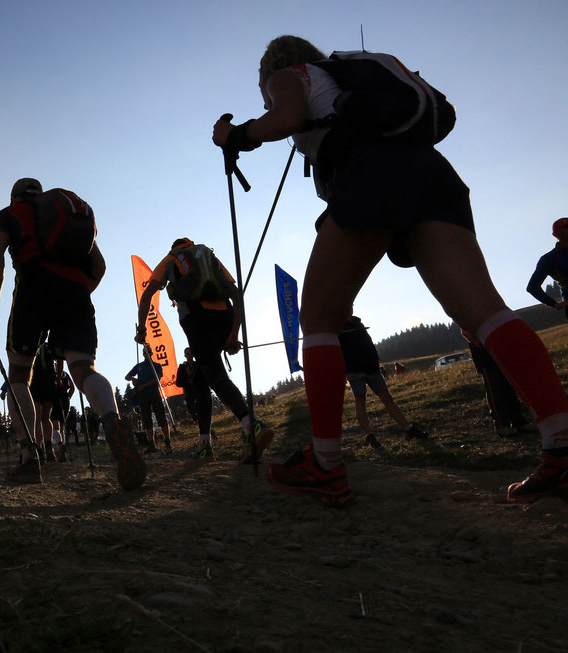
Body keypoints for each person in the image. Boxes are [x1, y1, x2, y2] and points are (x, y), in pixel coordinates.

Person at [213, 35, 568, 505]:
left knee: (319, 319)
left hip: (372, 177)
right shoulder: (349, 79)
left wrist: (236, 135)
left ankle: (324, 464)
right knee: (485, 313)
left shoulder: (289, 75)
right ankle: (561, 442)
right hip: (431, 174)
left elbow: (287, 118)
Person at [0, 177, 146, 489]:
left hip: (33, 286)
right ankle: (113, 421)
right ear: (42, 196)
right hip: (75, 290)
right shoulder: (62, 217)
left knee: (18, 374)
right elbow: (99, 265)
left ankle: (30, 459)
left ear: (14, 196)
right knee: (83, 369)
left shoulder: (9, 214)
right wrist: (80, 294)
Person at [136, 238, 274, 461]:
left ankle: (252, 425)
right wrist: (233, 334)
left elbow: (148, 294)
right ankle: (205, 445)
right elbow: (236, 294)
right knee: (200, 381)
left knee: (216, 376)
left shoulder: (172, 259)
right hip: (225, 318)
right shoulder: (210, 258)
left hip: (197, 320)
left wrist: (142, 329)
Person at [339, 315, 427, 447]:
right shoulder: (337, 325)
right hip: (355, 371)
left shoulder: (358, 322)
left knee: (387, 398)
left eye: (351, 305)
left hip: (372, 367)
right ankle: (369, 435)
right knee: (360, 400)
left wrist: (375, 360)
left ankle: (408, 429)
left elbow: (368, 342)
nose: (350, 307)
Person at [125, 347, 170, 453]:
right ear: (143, 354)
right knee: (146, 420)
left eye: (148, 352)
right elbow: (127, 376)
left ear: (151, 353)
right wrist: (133, 379)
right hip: (143, 396)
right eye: (145, 352)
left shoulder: (157, 366)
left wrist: (144, 385)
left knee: (161, 417)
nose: (147, 354)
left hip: (154, 393)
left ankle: (167, 441)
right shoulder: (139, 366)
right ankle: (151, 444)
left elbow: (157, 379)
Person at [527, 217, 568, 319]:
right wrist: (554, 304)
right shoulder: (549, 259)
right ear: (556, 234)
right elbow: (532, 287)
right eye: (566, 227)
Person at [176, 347, 199, 424]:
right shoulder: (182, 367)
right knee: (192, 408)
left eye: (191, 353)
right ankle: (196, 422)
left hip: (200, 390)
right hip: (189, 392)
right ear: (185, 355)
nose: (189, 355)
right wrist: (187, 381)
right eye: (187, 354)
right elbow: (178, 382)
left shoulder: (198, 365)